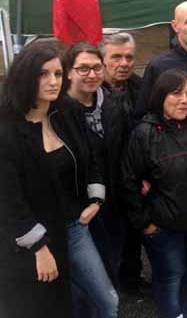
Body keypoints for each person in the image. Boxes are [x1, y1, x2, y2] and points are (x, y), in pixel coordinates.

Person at [0, 42, 116, 318]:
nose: (53, 82)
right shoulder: (7, 130)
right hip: (32, 237)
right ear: (25, 75)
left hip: (75, 227)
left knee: (107, 302)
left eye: (58, 74)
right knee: (50, 306)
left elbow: (90, 157)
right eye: (43, 74)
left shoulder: (66, 110)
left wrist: (96, 198)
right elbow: (7, 199)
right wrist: (38, 247)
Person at [121, 69, 187, 318]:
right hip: (165, 227)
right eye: (176, 94)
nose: (184, 100)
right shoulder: (145, 134)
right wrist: (145, 223)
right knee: (170, 278)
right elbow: (129, 182)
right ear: (160, 96)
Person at [64, 43, 127, 290]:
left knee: (112, 259)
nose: (91, 74)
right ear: (68, 71)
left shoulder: (113, 103)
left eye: (96, 68)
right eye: (83, 69)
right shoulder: (58, 111)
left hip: (114, 199)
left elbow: (123, 147)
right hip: (80, 205)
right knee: (85, 274)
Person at [99, 33, 148, 294]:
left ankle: (132, 280)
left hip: (134, 179)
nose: (124, 62)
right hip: (104, 182)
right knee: (108, 241)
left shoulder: (139, 88)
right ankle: (108, 290)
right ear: (104, 60)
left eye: (129, 57)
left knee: (133, 235)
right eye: (116, 56)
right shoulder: (91, 94)